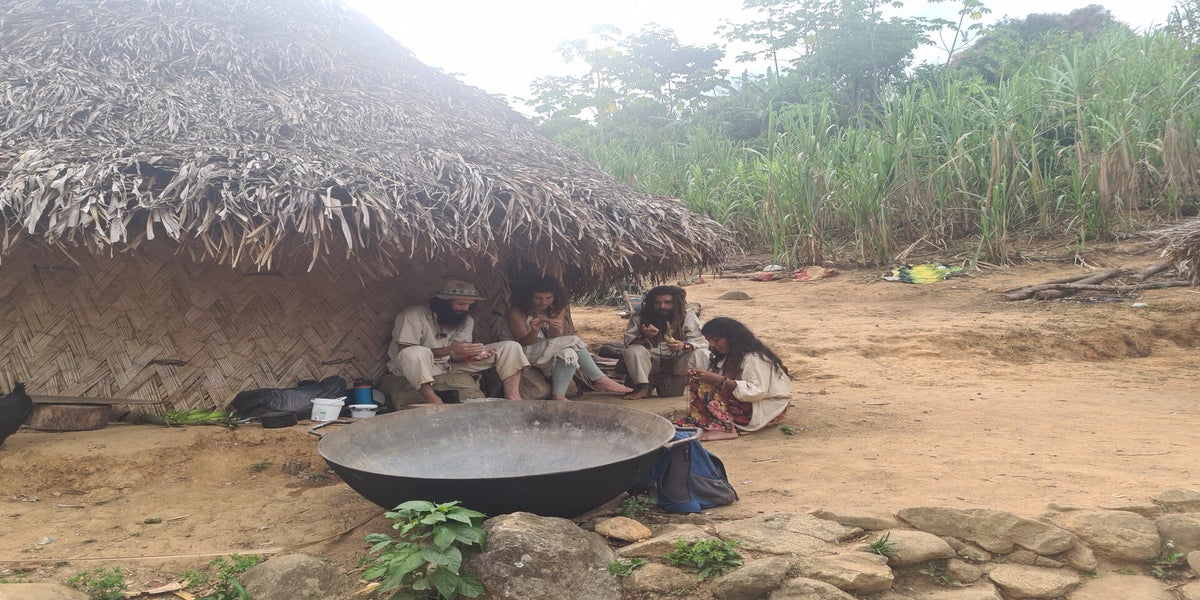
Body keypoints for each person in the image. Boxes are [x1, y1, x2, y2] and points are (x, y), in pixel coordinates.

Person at [387, 279, 529, 403]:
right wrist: (450, 349)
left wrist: (472, 356)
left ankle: (513, 397)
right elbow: (404, 352)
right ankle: (434, 400)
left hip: (447, 366)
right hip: (413, 366)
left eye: (470, 305)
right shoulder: (412, 316)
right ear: (443, 302)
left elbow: (456, 356)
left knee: (511, 347)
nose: (466, 309)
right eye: (461, 304)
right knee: (414, 352)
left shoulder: (466, 320)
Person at [506, 278, 632, 401]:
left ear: (555, 297)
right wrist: (534, 331)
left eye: (548, 298)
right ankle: (599, 378)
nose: (543, 302)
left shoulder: (556, 309)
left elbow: (556, 339)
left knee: (569, 353)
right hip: (521, 353)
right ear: (530, 296)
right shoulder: (517, 312)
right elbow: (522, 342)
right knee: (574, 340)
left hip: (545, 351)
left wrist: (557, 330)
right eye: (538, 298)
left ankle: (558, 395)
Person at [677, 317, 791, 441]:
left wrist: (718, 379)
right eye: (709, 340)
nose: (712, 345)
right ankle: (705, 421)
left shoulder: (755, 358)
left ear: (732, 338)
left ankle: (726, 429)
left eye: (716, 340)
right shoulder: (725, 356)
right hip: (742, 403)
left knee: (706, 387)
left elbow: (756, 392)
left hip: (763, 406)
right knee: (699, 383)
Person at [622, 285, 709, 400]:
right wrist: (644, 336)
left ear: (676, 303)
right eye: (657, 303)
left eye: (668, 302)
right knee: (633, 350)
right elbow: (628, 342)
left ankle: (701, 389)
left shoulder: (688, 317)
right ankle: (643, 387)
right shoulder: (640, 317)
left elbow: (702, 341)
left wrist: (684, 345)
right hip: (649, 363)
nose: (662, 306)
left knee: (703, 353)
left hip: (677, 363)